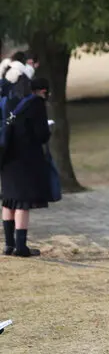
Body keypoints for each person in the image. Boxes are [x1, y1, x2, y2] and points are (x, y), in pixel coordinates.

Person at [1, 78, 52, 257]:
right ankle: (21, 247)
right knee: (22, 202)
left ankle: (8, 244)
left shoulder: (7, 100)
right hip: (25, 158)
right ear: (42, 90)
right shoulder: (36, 104)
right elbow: (41, 134)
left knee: (8, 200)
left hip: (6, 155)